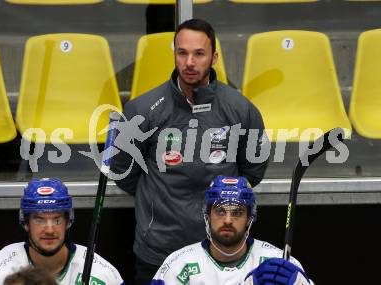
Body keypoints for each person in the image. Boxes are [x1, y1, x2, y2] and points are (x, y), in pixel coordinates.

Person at [110, 18, 268, 284]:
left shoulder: (241, 109)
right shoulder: (141, 109)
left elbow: (253, 169)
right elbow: (121, 169)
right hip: (158, 250)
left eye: (199, 53)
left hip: (220, 254)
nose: (189, 62)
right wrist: (159, 197)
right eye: (182, 53)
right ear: (174, 54)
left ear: (214, 57)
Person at [150, 176, 312, 285]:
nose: (227, 220)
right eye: (220, 211)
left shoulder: (277, 261)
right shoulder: (180, 264)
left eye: (237, 212)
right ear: (208, 216)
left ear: (249, 219)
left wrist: (299, 281)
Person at [0, 178, 124, 285]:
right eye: (39, 220)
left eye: (57, 220)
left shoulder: (102, 274)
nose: (50, 229)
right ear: (26, 223)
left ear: (67, 222)